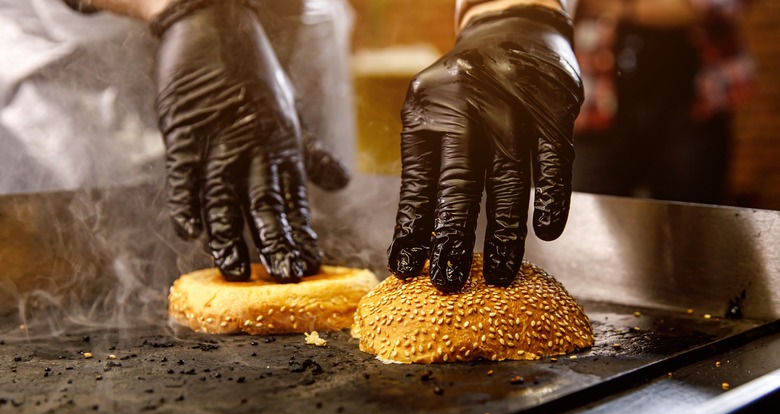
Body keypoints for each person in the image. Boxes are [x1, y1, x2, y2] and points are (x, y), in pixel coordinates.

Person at [51, 0, 584, 292]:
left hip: (299, 24)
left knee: (310, 237)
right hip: (88, 55)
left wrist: (509, 10)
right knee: (92, 270)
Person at [572, 0, 753, 204]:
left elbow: (716, 5)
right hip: (599, 104)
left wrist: (623, 8)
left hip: (693, 105)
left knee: (691, 223)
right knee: (586, 219)